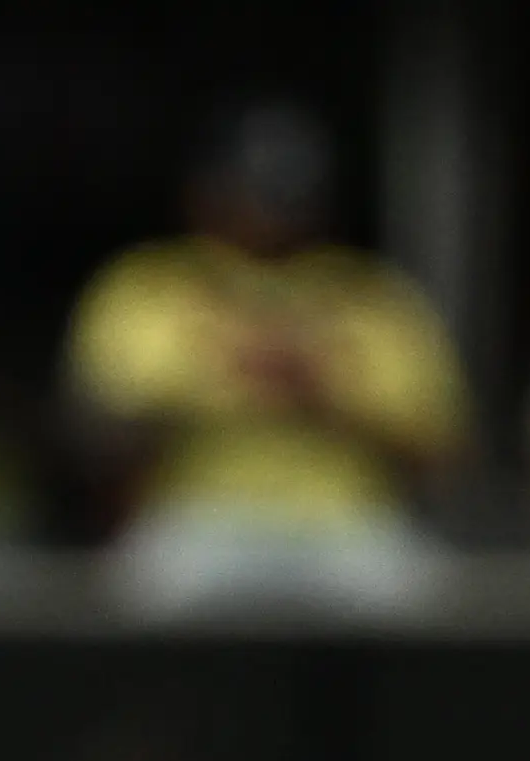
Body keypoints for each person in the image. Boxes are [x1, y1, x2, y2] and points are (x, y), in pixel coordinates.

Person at [63, 101, 469, 616]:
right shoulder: (153, 283)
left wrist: (322, 393)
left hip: (346, 523)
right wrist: (227, 374)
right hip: (194, 515)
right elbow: (102, 433)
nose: (269, 211)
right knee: (133, 596)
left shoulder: (368, 296)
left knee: (435, 604)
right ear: (206, 192)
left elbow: (437, 450)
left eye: (287, 194)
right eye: (251, 189)